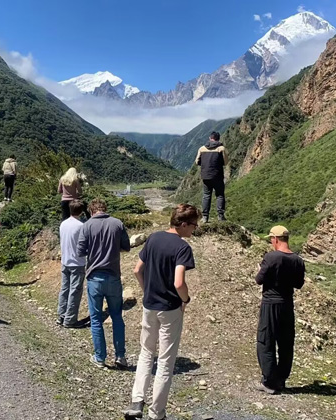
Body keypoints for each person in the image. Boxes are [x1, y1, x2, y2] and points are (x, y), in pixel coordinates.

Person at [123, 204, 200, 420]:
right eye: (194, 225)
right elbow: (179, 282)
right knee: (165, 360)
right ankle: (157, 413)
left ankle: (136, 401)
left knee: (146, 353)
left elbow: (137, 269)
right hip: (169, 308)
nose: (194, 229)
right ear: (183, 224)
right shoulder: (182, 248)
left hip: (149, 306)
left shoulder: (154, 238)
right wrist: (186, 299)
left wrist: (147, 290)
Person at [77, 198, 131, 368]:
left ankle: (100, 358)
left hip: (94, 277)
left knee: (95, 319)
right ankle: (120, 356)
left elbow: (80, 251)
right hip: (114, 276)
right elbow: (127, 247)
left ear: (92, 211)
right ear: (104, 209)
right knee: (117, 317)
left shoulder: (87, 226)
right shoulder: (117, 223)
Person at [253, 225, 305, 394]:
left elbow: (259, 280)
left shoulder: (271, 257)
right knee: (285, 343)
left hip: (271, 303)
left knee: (265, 340)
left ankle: (269, 381)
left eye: (271, 239)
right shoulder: (298, 260)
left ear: (275, 239)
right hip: (287, 304)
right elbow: (299, 284)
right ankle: (281, 379)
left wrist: (260, 269)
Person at [56, 199, 89, 328]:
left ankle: (61, 315)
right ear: (81, 211)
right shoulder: (81, 226)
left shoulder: (63, 224)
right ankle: (70, 319)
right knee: (75, 291)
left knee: (64, 289)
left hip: (65, 260)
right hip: (77, 262)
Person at [194, 131, 229, 223]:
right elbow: (226, 162)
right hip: (217, 175)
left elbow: (197, 162)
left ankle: (205, 217)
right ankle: (220, 216)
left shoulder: (202, 148)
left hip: (205, 176)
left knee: (206, 195)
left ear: (210, 138)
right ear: (218, 138)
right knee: (220, 195)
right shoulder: (221, 148)